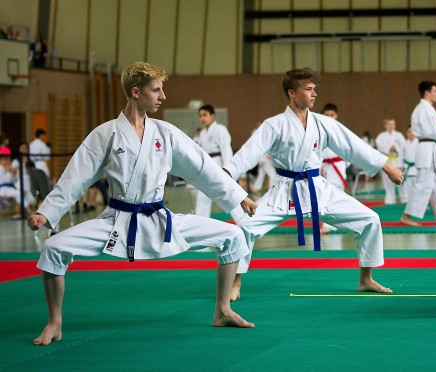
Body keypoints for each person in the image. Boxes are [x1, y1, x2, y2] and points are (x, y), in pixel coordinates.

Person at [27, 62, 257, 346]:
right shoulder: (106, 134)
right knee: (53, 248)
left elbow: (203, 169)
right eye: (156, 90)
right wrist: (45, 213)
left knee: (233, 236)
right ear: (136, 92)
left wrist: (238, 196)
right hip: (116, 221)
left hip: (160, 219)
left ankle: (223, 310)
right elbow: (74, 179)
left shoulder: (165, 133)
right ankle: (54, 323)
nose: (163, 97)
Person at [223, 67, 403, 301]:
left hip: (318, 187)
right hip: (285, 189)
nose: (314, 94)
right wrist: (224, 175)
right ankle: (236, 282)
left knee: (370, 219)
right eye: (308, 89)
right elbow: (248, 154)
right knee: (245, 228)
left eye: (314, 89)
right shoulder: (274, 125)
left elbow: (354, 146)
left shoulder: (323, 123)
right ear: (291, 93)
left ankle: (366, 279)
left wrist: (387, 168)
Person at [400, 81, 436, 226]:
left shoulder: (427, 109)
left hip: (433, 149)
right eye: (435, 91)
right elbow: (431, 131)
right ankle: (406, 216)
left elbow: (433, 131)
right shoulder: (423, 109)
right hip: (427, 149)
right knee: (423, 184)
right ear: (427, 92)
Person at [193, 104, 233, 218]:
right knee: (202, 198)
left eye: (205, 115)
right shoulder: (202, 133)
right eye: (200, 116)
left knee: (229, 198)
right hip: (206, 167)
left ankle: (246, 225)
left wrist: (228, 170)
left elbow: (226, 150)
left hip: (219, 165)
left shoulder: (221, 129)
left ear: (213, 116)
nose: (202, 118)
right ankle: (201, 227)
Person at [319, 103, 349, 234]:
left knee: (333, 196)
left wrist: (343, 164)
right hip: (324, 167)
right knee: (326, 196)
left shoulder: (341, 131)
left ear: (337, 116)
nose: (329, 117)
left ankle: (329, 224)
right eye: (327, 115)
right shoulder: (319, 131)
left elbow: (349, 151)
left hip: (337, 167)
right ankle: (334, 223)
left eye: (332, 115)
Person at [375, 118, 405, 205]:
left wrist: (396, 148)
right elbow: (379, 145)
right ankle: (389, 200)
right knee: (387, 181)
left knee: (401, 179)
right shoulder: (381, 136)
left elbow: (403, 145)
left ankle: (404, 198)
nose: (391, 126)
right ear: (385, 125)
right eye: (389, 124)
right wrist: (389, 147)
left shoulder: (399, 135)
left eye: (393, 124)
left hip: (397, 160)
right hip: (387, 160)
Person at [399, 125, 418, 204]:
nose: (411, 133)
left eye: (413, 131)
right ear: (407, 133)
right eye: (409, 131)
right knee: (406, 185)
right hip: (407, 167)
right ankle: (406, 200)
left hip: (417, 167)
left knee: (417, 186)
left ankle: (418, 201)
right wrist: (401, 166)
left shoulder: (419, 142)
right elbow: (401, 156)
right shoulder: (404, 143)